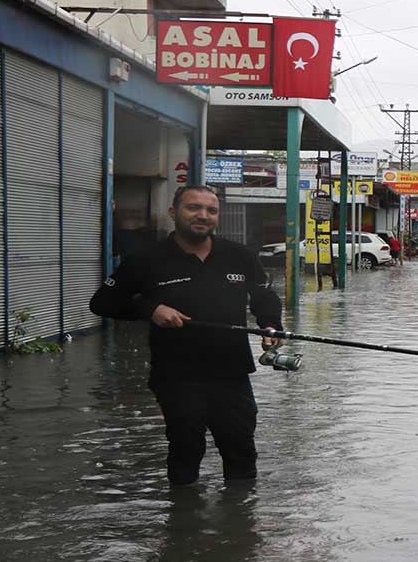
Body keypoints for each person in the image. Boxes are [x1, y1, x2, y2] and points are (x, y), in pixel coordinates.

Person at [89, 185, 283, 488]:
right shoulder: (145, 259)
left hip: (232, 373)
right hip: (176, 375)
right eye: (193, 208)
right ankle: (182, 521)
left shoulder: (239, 256)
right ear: (173, 212)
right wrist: (150, 307)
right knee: (186, 450)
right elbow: (102, 302)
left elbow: (263, 296)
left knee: (241, 450)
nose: (202, 216)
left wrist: (271, 325)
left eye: (211, 210)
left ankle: (240, 524)